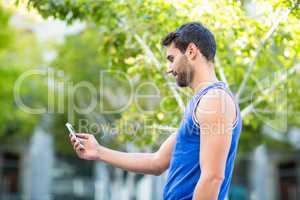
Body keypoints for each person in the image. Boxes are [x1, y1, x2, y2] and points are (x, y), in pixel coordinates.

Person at [69, 22, 242, 200]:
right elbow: (157, 162)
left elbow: (213, 178)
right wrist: (98, 152)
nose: (169, 69)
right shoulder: (201, 103)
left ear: (191, 51)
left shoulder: (214, 100)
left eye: (171, 59)